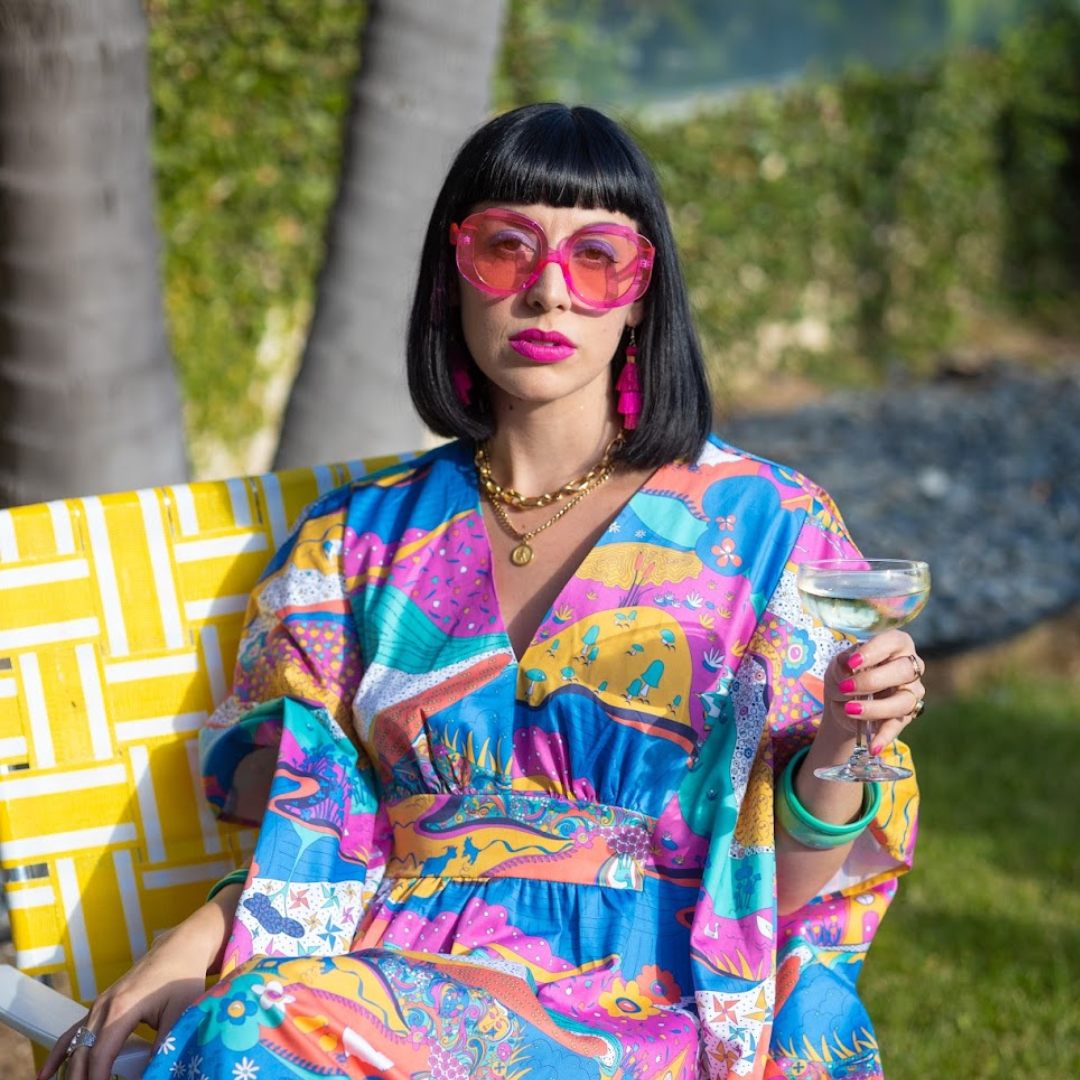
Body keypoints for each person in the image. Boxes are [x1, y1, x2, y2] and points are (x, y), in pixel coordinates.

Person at [44, 102, 924, 1080]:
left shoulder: (772, 528)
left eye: (597, 259)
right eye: (506, 250)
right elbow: (313, 810)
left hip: (634, 1006)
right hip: (374, 980)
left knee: (255, 1027)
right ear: (451, 276)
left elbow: (790, 886)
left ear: (642, 294)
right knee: (252, 1024)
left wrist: (843, 749)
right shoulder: (359, 541)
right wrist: (203, 931)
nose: (549, 293)